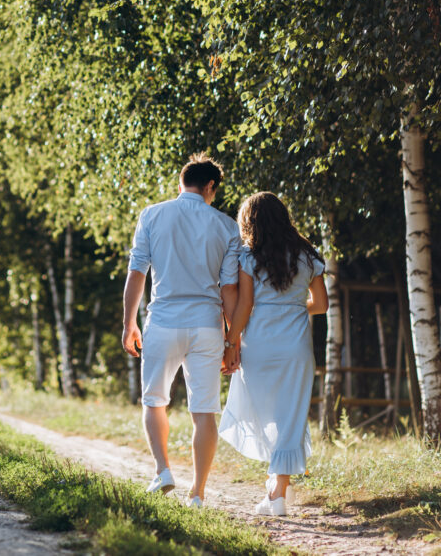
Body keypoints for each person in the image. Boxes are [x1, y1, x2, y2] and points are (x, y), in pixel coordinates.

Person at [121, 153, 242, 508]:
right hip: (207, 325)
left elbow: (137, 272)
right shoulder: (226, 226)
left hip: (162, 322)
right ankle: (198, 493)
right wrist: (232, 340)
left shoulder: (152, 214)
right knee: (204, 411)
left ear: (181, 183)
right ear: (210, 187)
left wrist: (129, 322)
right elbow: (229, 289)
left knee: (154, 400)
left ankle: (163, 471)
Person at [218, 192, 329, 516]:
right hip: (295, 347)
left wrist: (231, 344)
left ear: (250, 222)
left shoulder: (250, 257)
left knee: (263, 412)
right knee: (290, 414)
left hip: (260, 346)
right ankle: (279, 484)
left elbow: (245, 306)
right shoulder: (308, 255)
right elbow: (321, 305)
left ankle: (278, 493)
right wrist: (293, 306)